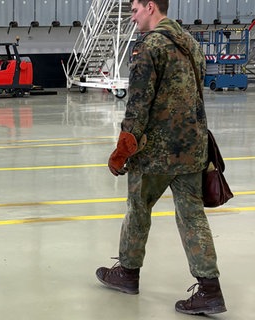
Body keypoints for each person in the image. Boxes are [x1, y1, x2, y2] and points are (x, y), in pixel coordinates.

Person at [95, 0, 226, 315]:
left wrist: (122, 149)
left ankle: (127, 273)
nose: (132, 15)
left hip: (155, 152)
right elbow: (195, 96)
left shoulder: (149, 46)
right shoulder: (190, 43)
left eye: (135, 9)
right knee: (192, 216)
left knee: (138, 209)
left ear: (150, 7)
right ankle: (210, 289)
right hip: (192, 149)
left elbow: (138, 104)